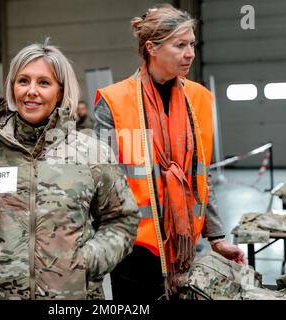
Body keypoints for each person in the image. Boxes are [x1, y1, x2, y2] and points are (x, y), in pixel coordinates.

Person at [0, 40, 141, 300]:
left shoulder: (92, 153)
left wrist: (88, 261)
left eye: (44, 83)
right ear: (13, 88)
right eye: (23, 81)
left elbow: (121, 218)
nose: (31, 91)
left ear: (60, 91)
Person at [94, 4, 246, 301]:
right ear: (151, 47)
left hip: (184, 246)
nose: (190, 53)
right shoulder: (114, 102)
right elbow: (99, 183)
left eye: (192, 44)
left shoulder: (199, 98)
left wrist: (217, 238)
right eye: (180, 45)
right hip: (131, 249)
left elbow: (201, 175)